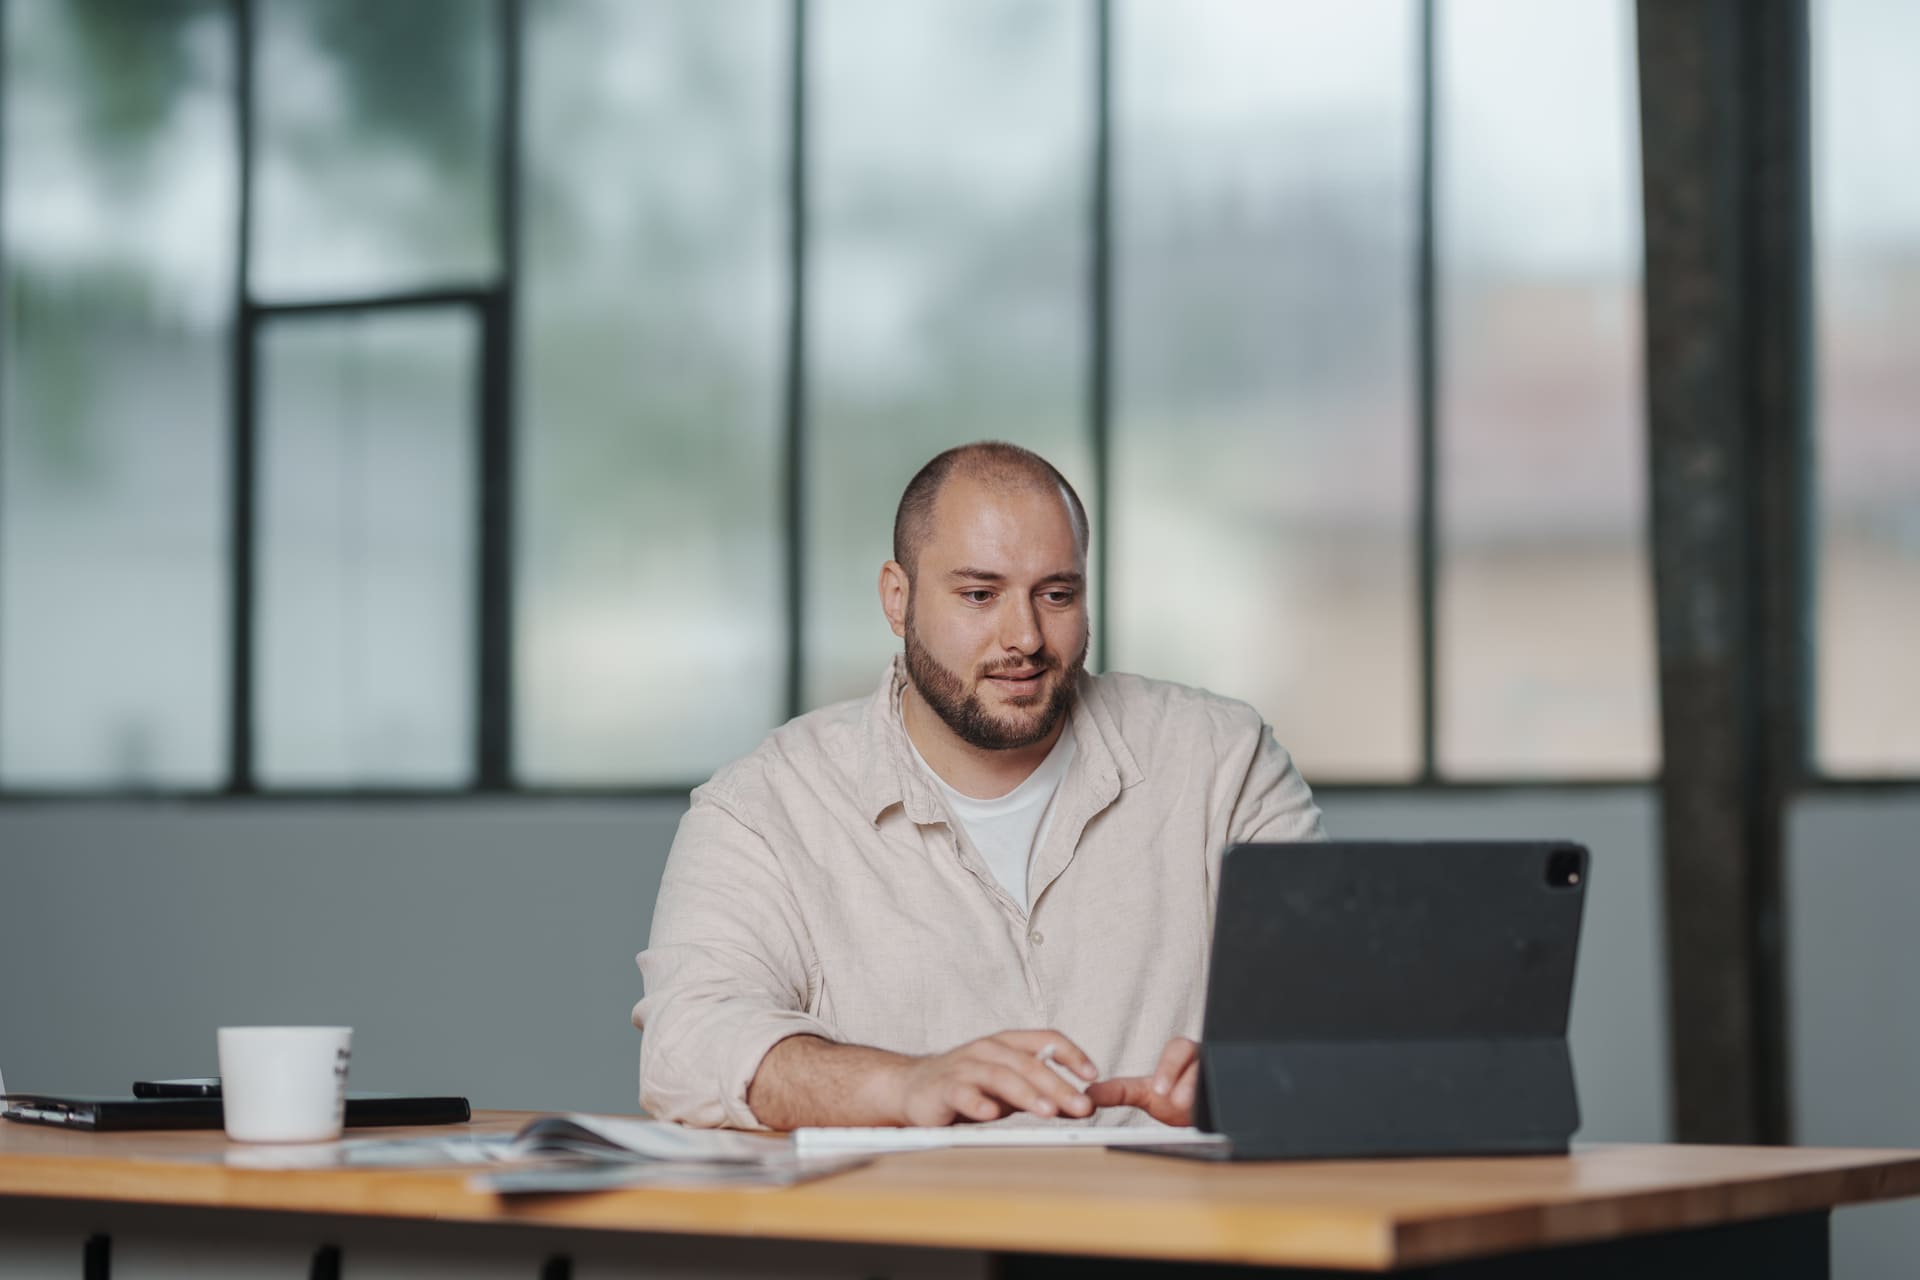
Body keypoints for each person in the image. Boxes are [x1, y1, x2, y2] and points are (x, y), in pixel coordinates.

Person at [634, 442, 1324, 1130]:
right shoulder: (765, 809)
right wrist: (904, 1085)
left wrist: (1258, 1072)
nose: (1023, 636)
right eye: (979, 595)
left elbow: (1343, 1006)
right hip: (916, 1232)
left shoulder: (1223, 763)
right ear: (897, 599)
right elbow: (687, 1047)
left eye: (1056, 595)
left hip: (1180, 1228)